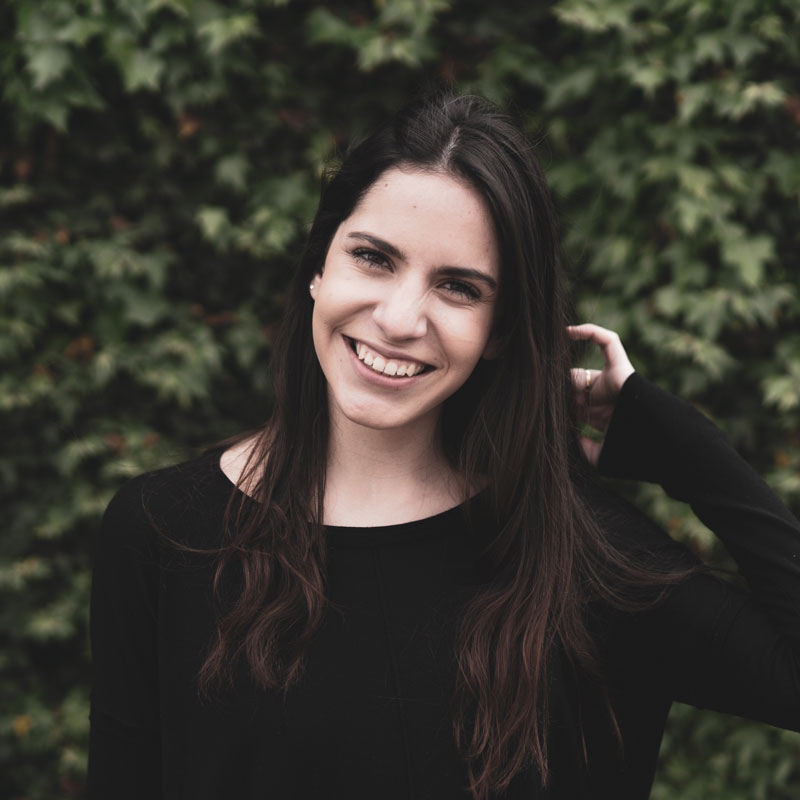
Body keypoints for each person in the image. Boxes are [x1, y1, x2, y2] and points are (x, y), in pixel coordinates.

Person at [87, 93, 800, 800]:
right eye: (372, 258)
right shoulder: (162, 530)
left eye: (458, 288)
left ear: (500, 332)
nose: (399, 318)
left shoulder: (578, 557)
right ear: (317, 267)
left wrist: (683, 448)